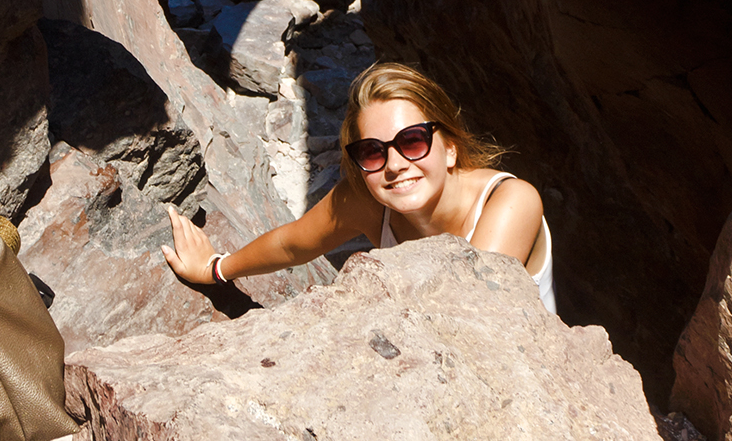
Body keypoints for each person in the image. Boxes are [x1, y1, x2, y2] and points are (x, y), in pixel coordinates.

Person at [164, 61, 555, 312]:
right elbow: (292, 244)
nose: (396, 165)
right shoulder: (367, 200)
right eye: (372, 152)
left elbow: (468, 312)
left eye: (413, 141)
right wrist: (215, 268)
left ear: (450, 149)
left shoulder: (510, 202)